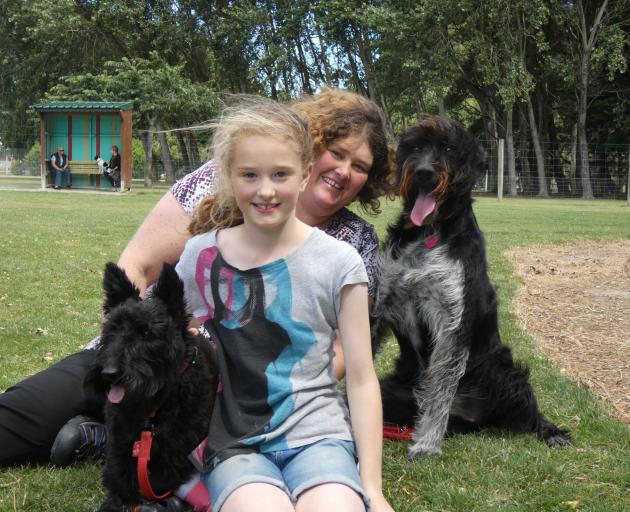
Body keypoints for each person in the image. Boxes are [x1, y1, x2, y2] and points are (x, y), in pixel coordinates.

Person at [0, 88, 394, 510]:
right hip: (147, 355)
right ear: (313, 147)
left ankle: (111, 438)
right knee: (22, 420)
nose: (344, 171)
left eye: (360, 167)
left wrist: (268, 382)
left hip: (232, 402)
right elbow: (140, 266)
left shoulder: (351, 247)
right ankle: (110, 430)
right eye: (338, 152)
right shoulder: (217, 207)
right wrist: (131, 359)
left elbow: (347, 360)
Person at [173, 97, 392, 512]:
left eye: (280, 174)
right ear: (227, 176)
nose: (266, 190)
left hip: (319, 435)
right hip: (232, 443)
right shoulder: (198, 259)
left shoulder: (341, 262)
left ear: (306, 174)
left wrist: (372, 489)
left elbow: (362, 379)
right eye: (250, 175)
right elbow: (171, 347)